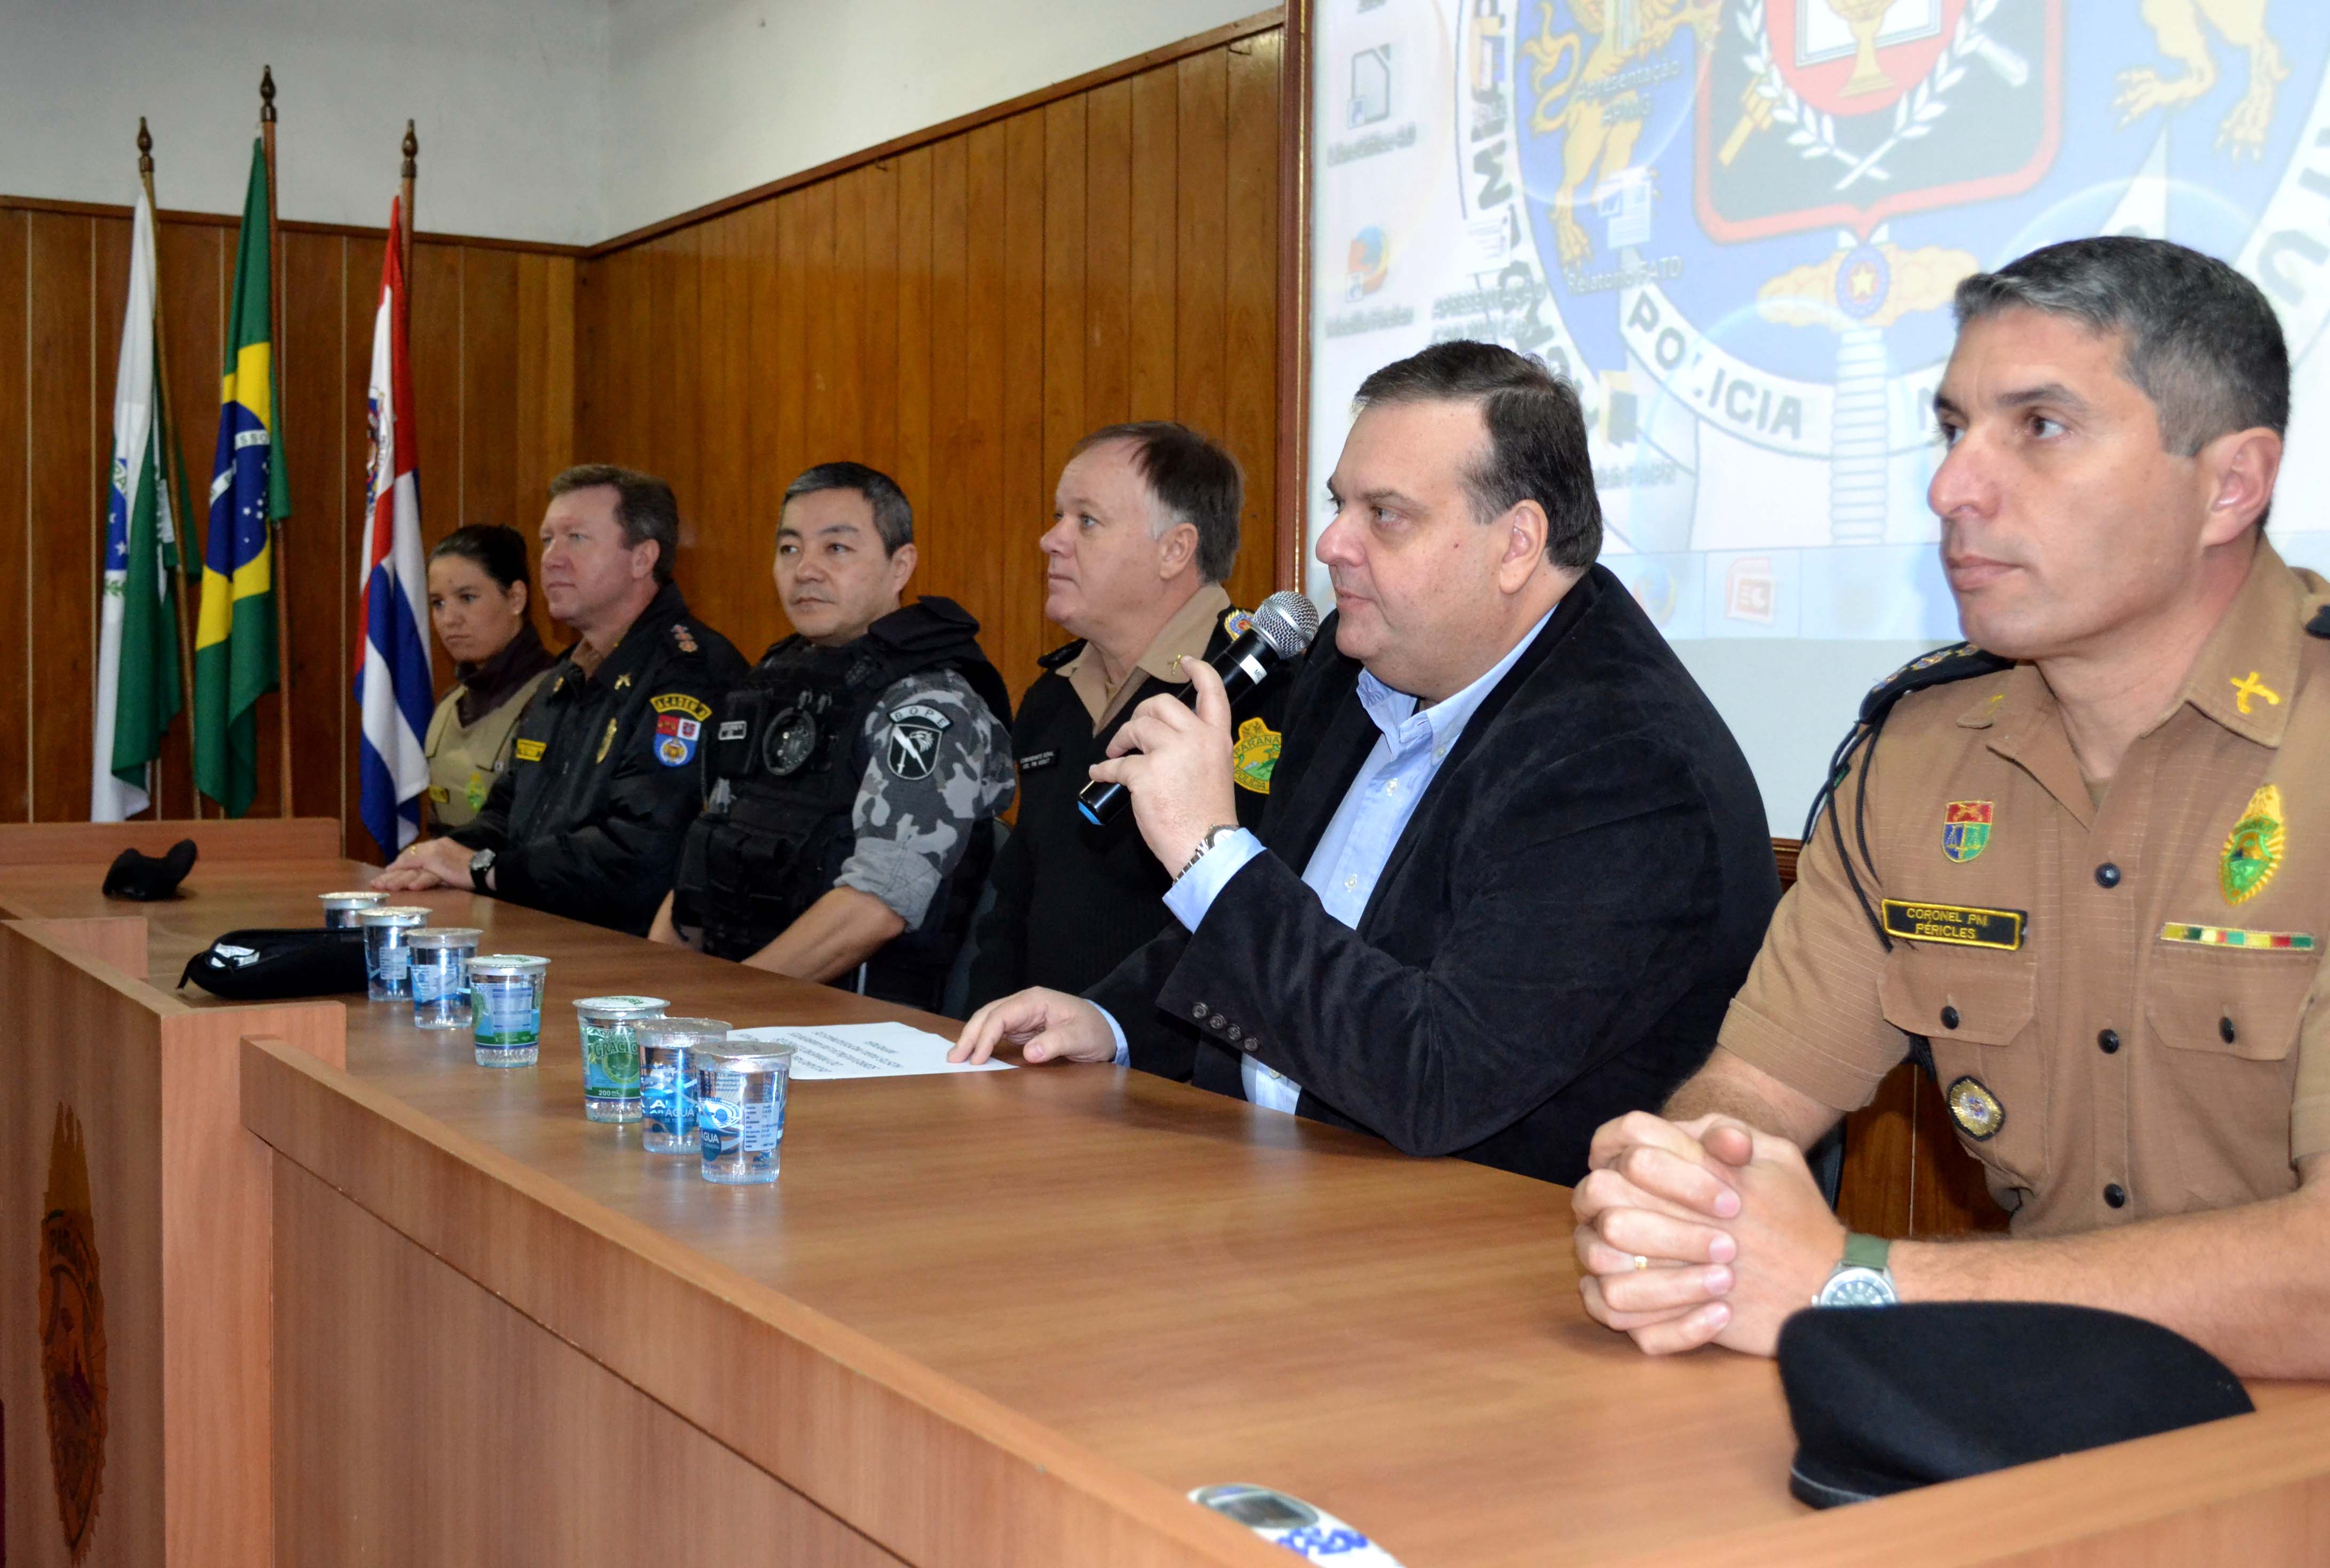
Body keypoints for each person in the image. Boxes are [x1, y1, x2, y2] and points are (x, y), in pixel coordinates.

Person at [1570, 236, 2330, 1381]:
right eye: (1951, 430)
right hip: (2042, 1414)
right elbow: (1756, 1088)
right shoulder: (1921, 756)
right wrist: (1687, 1195)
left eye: (2041, 427)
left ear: (2229, 485)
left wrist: (1860, 1283)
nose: (1950, 489)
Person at [953, 342, 1780, 1185]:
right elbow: (1293, 919)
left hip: (1473, 1231)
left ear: (1517, 545)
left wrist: (1208, 852)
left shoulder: (1629, 768)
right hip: (1260, 1180)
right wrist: (1113, 1023)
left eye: (1385, 515)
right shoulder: (1354, 669)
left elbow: (1439, 1079)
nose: (1331, 543)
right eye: (1338, 503)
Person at [653, 462, 1015, 1009]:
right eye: (790, 549)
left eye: (836, 549)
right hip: (751, 1004)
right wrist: (657, 993)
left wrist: (725, 1003)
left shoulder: (928, 706)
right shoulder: (768, 684)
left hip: (862, 1029)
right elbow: (709, 852)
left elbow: (879, 904)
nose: (805, 570)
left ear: (901, 566)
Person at [962, 421, 1293, 1011]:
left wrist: (1116, 1035)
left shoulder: (1271, 694)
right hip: (1038, 1048)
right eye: (1058, 516)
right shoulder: (1052, 697)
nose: (1051, 540)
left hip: (1183, 1053)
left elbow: (1263, 927)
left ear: (1175, 550)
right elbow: (1015, 902)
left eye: (1086, 521)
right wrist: (984, 1035)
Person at [373, 465, 746, 935]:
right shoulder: (567, 674)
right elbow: (507, 813)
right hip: (540, 935)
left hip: (627, 956)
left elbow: (639, 855)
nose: (551, 559)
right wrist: (434, 859)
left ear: (642, 558)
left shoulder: (689, 676)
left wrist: (484, 869)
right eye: (548, 540)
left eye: (576, 539)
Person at [420, 524, 558, 831]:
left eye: (467, 598)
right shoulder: (451, 703)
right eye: (438, 603)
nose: (449, 619)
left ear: (516, 599)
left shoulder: (556, 701)